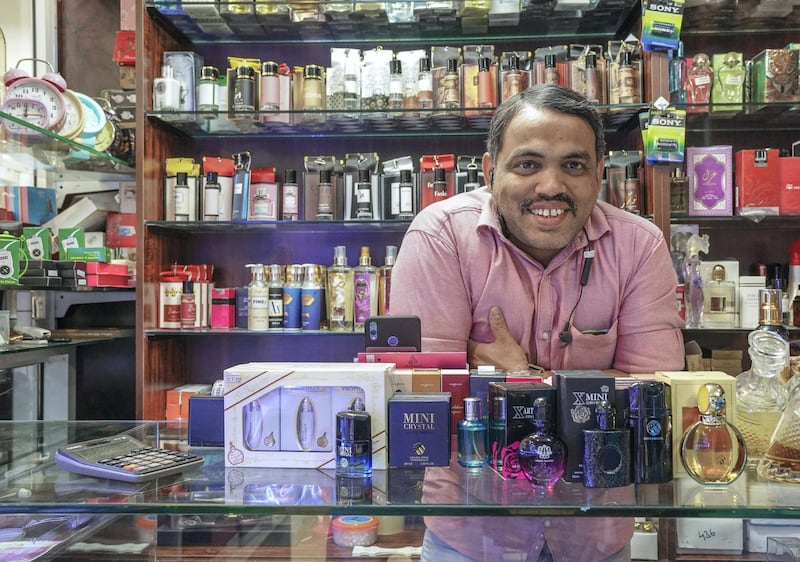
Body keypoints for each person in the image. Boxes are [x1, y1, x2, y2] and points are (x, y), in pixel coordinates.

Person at [390, 84, 685, 562]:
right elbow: (420, 402)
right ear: (490, 171)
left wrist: (519, 379)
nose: (551, 186)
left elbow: (654, 397)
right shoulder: (441, 235)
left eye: (573, 165)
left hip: (596, 533)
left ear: (600, 174)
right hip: (472, 532)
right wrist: (583, 391)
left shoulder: (639, 246)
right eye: (527, 164)